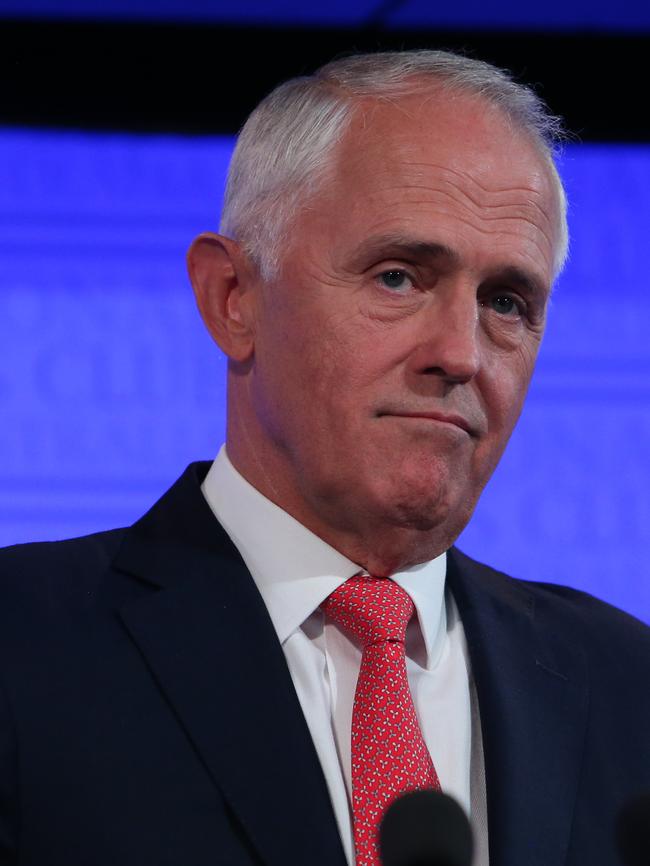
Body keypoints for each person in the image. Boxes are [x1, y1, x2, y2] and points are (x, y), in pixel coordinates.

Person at [0, 49, 648, 866]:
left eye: (506, 302)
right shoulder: (23, 649)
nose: (461, 353)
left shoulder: (629, 689)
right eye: (399, 278)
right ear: (233, 299)